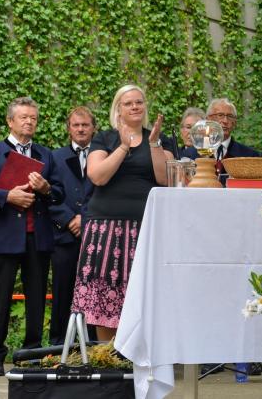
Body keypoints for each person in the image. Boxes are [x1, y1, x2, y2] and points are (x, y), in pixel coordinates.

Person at [0, 97, 65, 377]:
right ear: (10, 121)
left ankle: (31, 354)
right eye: (23, 117)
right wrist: (6, 196)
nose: (30, 121)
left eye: (33, 117)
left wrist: (45, 188)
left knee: (36, 298)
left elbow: (59, 194)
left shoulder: (46, 154)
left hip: (38, 237)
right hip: (3, 237)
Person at [71, 84, 173, 341]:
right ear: (118, 110)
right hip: (107, 228)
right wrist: (124, 147)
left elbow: (165, 179)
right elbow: (98, 176)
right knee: (106, 291)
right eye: (128, 103)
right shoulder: (105, 138)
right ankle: (108, 357)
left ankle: (141, 353)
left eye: (139, 102)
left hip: (146, 227)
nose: (135, 106)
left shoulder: (158, 139)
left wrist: (153, 145)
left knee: (144, 291)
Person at [47, 106, 96, 345]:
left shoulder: (103, 155)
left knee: (95, 292)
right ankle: (57, 346)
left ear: (93, 128)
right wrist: (68, 219)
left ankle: (96, 347)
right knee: (62, 292)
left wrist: (85, 219)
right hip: (64, 236)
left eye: (85, 125)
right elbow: (48, 194)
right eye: (76, 125)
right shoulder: (53, 157)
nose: (80, 129)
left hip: (95, 235)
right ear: (69, 129)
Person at [206, 98, 261, 183]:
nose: (225, 121)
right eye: (220, 115)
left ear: (234, 122)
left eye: (230, 116)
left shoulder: (250, 157)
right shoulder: (192, 155)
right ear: (208, 119)